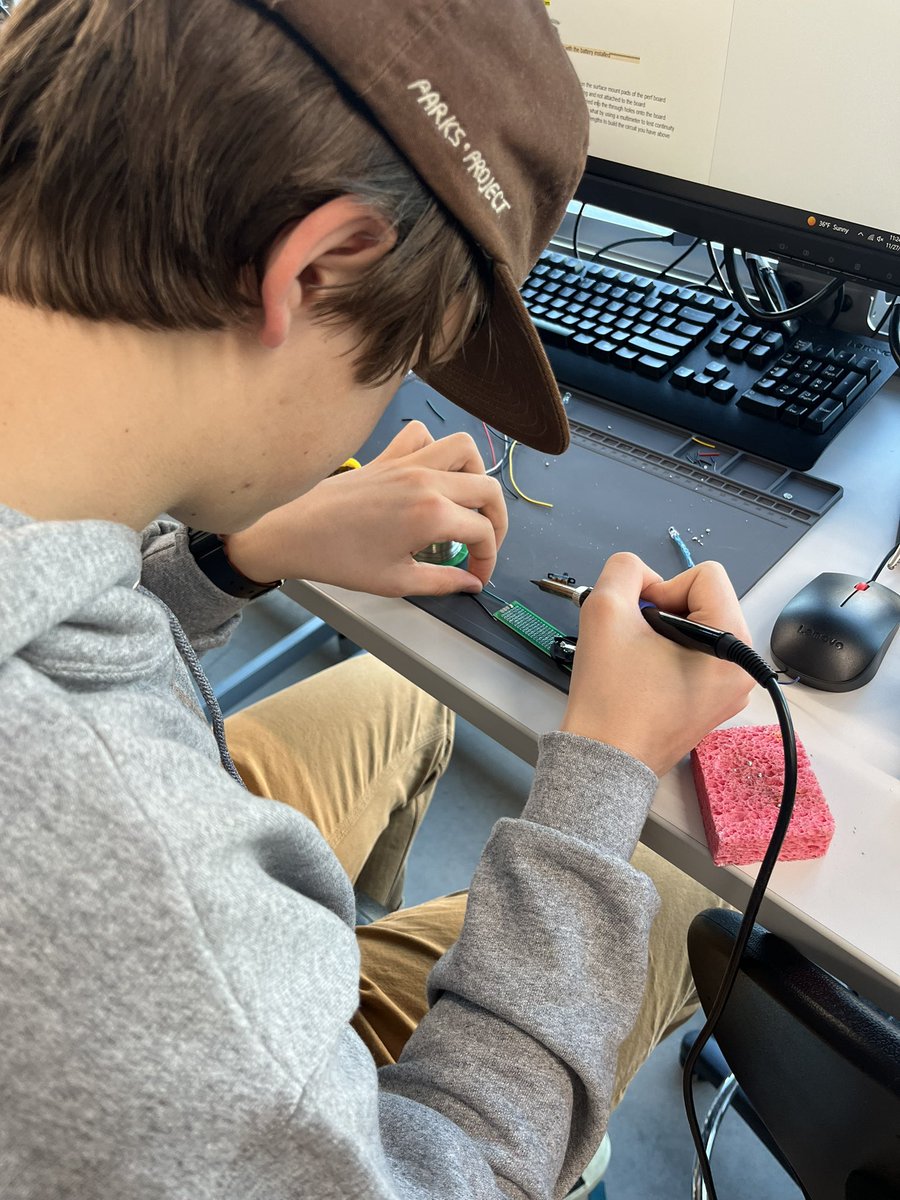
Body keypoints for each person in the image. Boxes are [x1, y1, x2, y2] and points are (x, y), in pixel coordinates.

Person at [0, 1, 753, 1196]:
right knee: (662, 886)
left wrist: (228, 554)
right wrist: (607, 761)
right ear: (319, 264)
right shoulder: (129, 857)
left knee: (397, 700)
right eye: (404, 355)